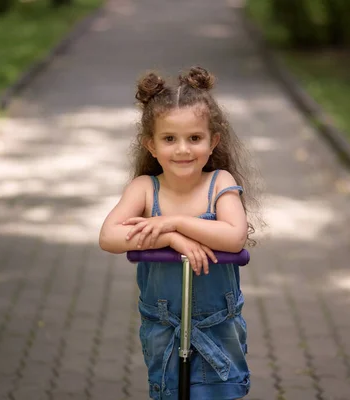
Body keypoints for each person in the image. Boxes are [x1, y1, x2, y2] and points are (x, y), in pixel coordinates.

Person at [99, 66, 261, 400]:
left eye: (195, 138)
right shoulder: (145, 189)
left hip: (218, 325)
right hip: (165, 326)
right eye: (170, 139)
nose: (183, 149)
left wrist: (174, 223)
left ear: (213, 142)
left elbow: (234, 236)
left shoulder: (221, 183)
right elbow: (109, 237)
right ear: (152, 146)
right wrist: (171, 239)